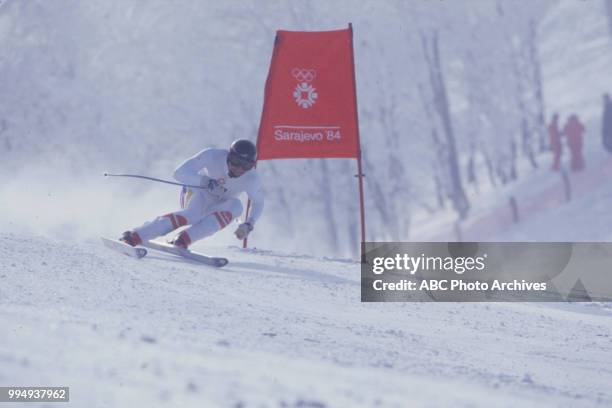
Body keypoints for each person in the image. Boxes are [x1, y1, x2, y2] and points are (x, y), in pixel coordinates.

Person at [120, 139, 264, 249]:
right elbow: (178, 173)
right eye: (236, 161)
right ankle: (135, 235)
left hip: (220, 204)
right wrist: (205, 181)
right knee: (192, 215)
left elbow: (258, 202)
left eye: (246, 165)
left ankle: (183, 240)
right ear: (229, 156)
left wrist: (249, 223)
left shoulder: (252, 178)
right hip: (197, 192)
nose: (239, 168)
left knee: (237, 206)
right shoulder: (212, 155)